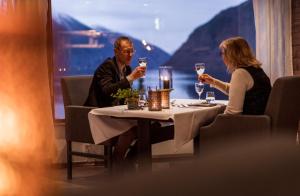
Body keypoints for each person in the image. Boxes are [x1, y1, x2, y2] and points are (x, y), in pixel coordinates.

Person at [85, 36, 173, 173]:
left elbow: (124, 95)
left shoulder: (126, 69)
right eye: (126, 51)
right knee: (131, 131)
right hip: (99, 114)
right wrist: (131, 78)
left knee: (150, 127)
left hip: (116, 113)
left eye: (132, 51)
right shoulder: (107, 66)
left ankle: (129, 161)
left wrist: (137, 99)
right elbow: (107, 91)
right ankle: (118, 162)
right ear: (116, 52)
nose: (130, 55)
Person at [199, 36, 271, 115]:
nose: (222, 57)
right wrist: (213, 81)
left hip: (248, 124)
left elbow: (232, 112)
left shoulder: (240, 73)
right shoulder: (256, 70)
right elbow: (236, 91)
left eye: (223, 53)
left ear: (231, 55)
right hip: (261, 122)